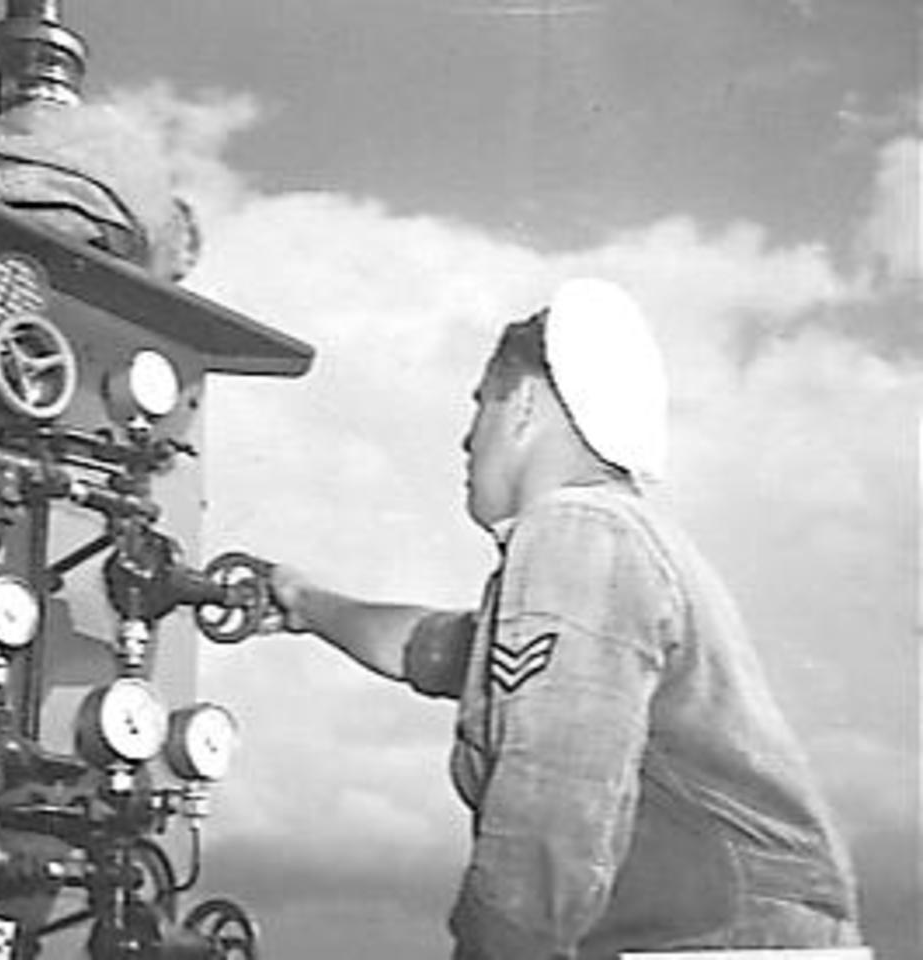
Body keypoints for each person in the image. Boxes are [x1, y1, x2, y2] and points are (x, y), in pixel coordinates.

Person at [265, 278, 861, 959]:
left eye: (480, 405)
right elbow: (428, 649)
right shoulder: (619, 547)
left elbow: (549, 814)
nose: (465, 439)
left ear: (522, 405)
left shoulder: (578, 533)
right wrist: (305, 603)